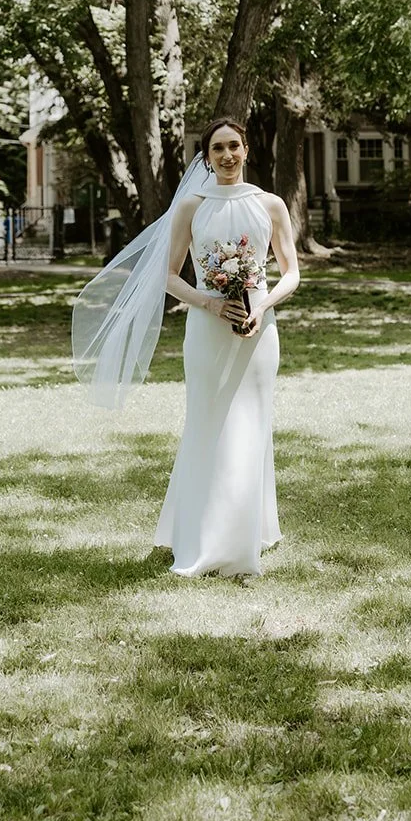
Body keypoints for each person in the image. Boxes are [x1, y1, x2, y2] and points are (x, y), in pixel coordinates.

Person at [72, 117, 299, 579]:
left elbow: (291, 272)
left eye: (234, 146)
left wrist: (264, 304)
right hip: (207, 327)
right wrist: (210, 304)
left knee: (252, 425)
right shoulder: (191, 208)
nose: (228, 155)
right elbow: (169, 274)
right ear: (207, 157)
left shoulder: (271, 204)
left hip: (259, 329)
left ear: (247, 150)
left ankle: (248, 531)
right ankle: (200, 536)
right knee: (206, 424)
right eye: (218, 149)